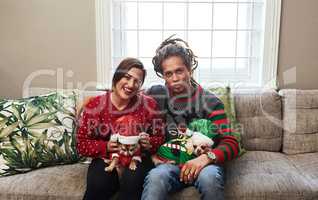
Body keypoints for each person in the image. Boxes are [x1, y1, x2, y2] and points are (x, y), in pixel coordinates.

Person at [142, 36, 240, 200]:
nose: (174, 78)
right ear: (163, 76)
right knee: (155, 178)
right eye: (168, 74)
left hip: (204, 165)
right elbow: (124, 97)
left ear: (189, 70)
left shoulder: (211, 102)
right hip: (169, 166)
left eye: (179, 71)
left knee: (210, 179)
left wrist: (205, 158)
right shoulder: (156, 95)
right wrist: (89, 102)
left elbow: (231, 143)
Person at [76, 57, 164, 200]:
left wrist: (149, 144)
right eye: (127, 77)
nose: (131, 84)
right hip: (106, 158)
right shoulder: (96, 105)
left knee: (132, 181)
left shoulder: (149, 105)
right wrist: (107, 146)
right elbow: (81, 144)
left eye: (137, 81)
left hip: (137, 158)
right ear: (117, 76)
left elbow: (159, 137)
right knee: (99, 183)